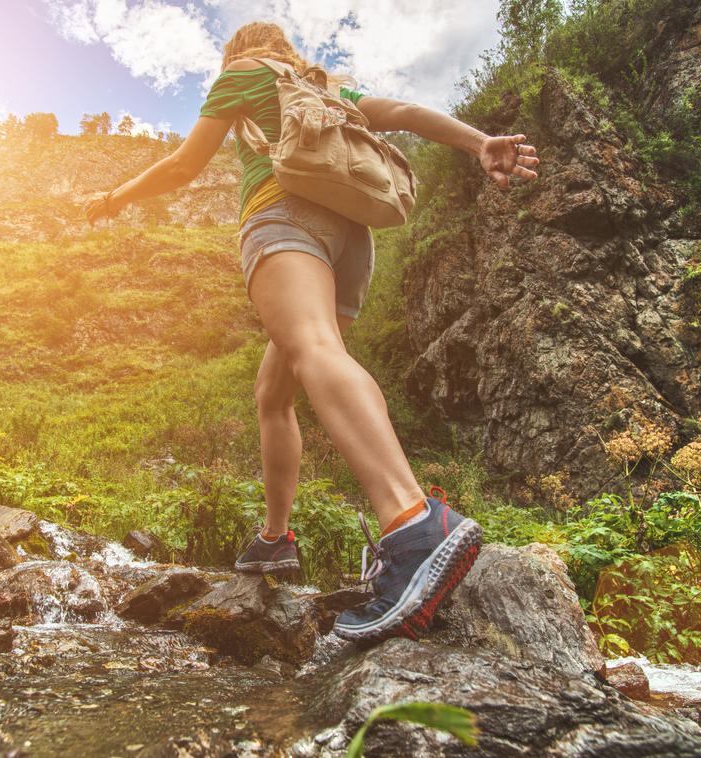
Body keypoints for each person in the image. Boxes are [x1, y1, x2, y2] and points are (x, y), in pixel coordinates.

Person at [84, 21, 539, 642]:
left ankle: (411, 521)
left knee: (315, 349)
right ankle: (275, 539)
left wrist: (111, 199)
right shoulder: (324, 90)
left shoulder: (242, 76)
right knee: (275, 389)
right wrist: (480, 141)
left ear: (237, 50)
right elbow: (403, 112)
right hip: (352, 238)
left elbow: (184, 165)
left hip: (285, 216)